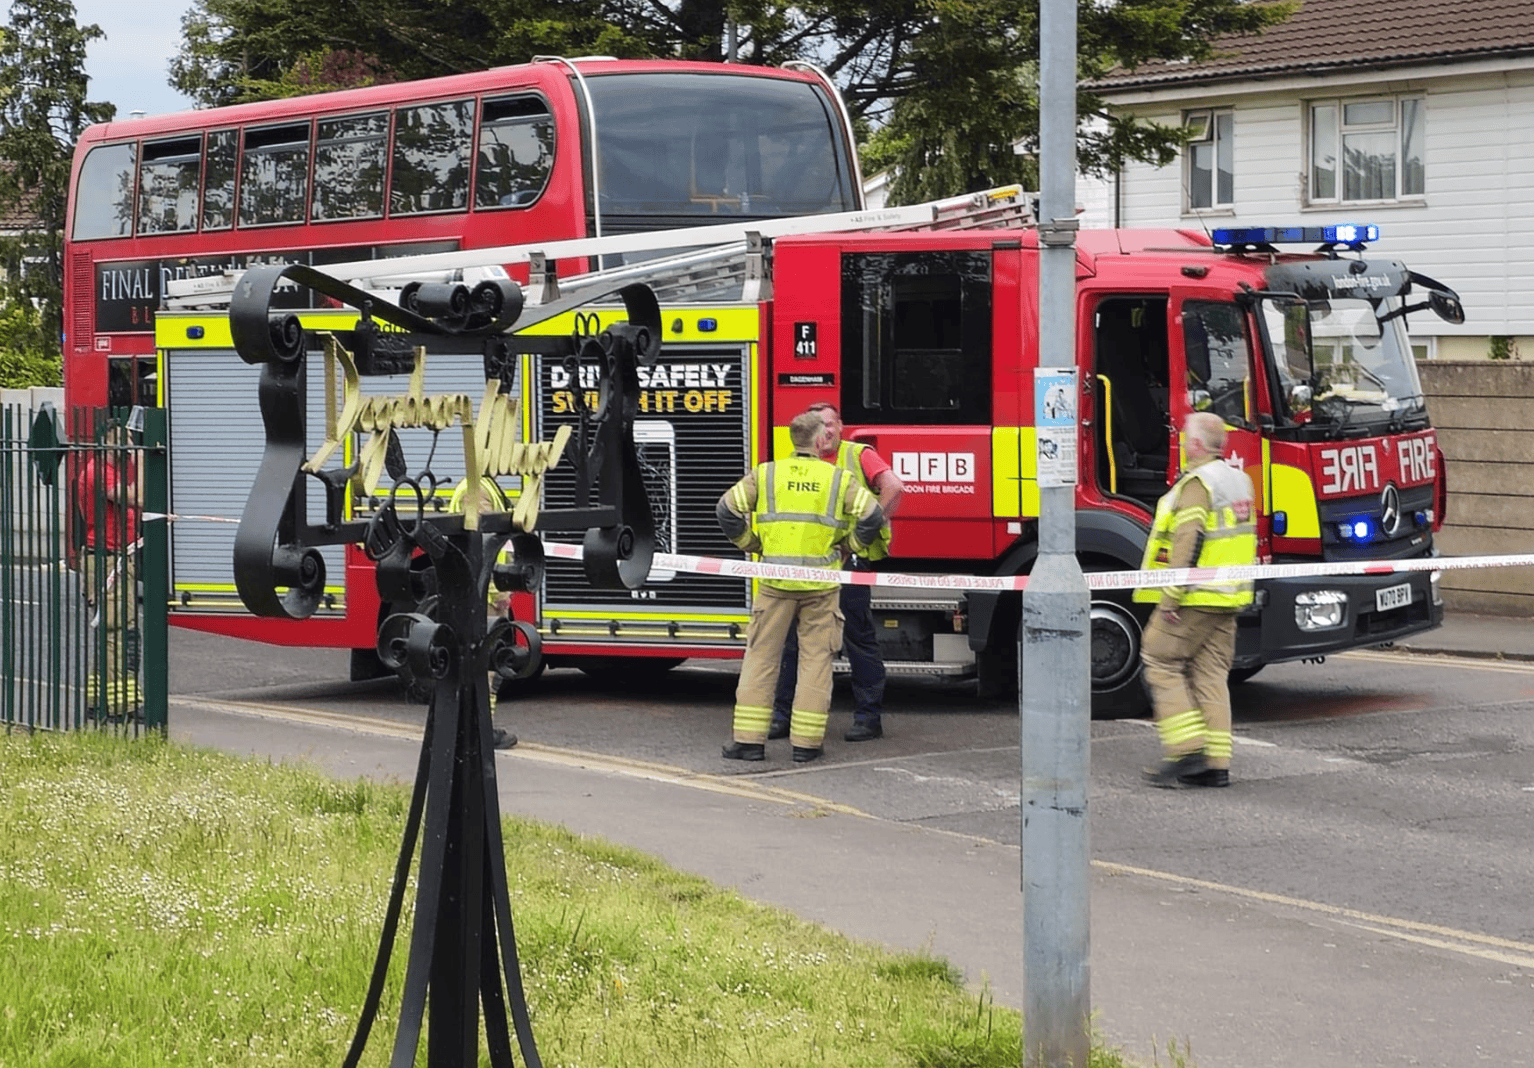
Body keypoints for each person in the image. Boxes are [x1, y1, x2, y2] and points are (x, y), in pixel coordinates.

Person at [717, 410, 889, 764]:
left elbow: (726, 510)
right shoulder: (837, 479)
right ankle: (806, 746)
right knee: (816, 661)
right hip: (821, 585)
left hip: (774, 584)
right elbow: (872, 515)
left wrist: (751, 543)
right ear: (820, 440)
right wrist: (851, 547)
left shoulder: (767, 474)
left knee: (761, 659)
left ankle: (749, 742)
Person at [768, 401, 903, 743]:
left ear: (841, 426)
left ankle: (868, 718)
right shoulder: (801, 463)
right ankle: (782, 717)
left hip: (847, 566)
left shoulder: (857, 455)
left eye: (831, 424)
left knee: (858, 639)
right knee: (793, 644)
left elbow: (894, 488)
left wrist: (858, 540)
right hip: (810, 568)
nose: (826, 431)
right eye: (820, 425)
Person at [1135, 411, 1257, 788]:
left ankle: (1187, 749)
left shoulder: (1198, 484)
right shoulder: (1240, 481)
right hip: (1229, 597)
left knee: (1158, 659)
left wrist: (1170, 598)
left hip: (1194, 597)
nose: (1181, 443)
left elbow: (1188, 542)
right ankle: (1215, 764)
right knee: (1210, 677)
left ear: (1197, 445)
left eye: (1185, 438)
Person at [78, 421, 143, 723]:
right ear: (109, 440)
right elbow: (137, 498)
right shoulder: (99, 472)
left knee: (115, 631)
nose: (130, 441)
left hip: (114, 556)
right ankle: (119, 707)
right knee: (118, 632)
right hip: (107, 559)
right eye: (126, 437)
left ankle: (100, 701)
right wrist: (142, 460)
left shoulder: (107, 471)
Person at [448, 475, 519, 750]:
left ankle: (475, 730)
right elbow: (481, 546)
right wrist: (497, 594)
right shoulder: (476, 491)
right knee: (485, 669)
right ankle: (480, 733)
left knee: (484, 667)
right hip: (482, 597)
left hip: (478, 593)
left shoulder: (478, 484)